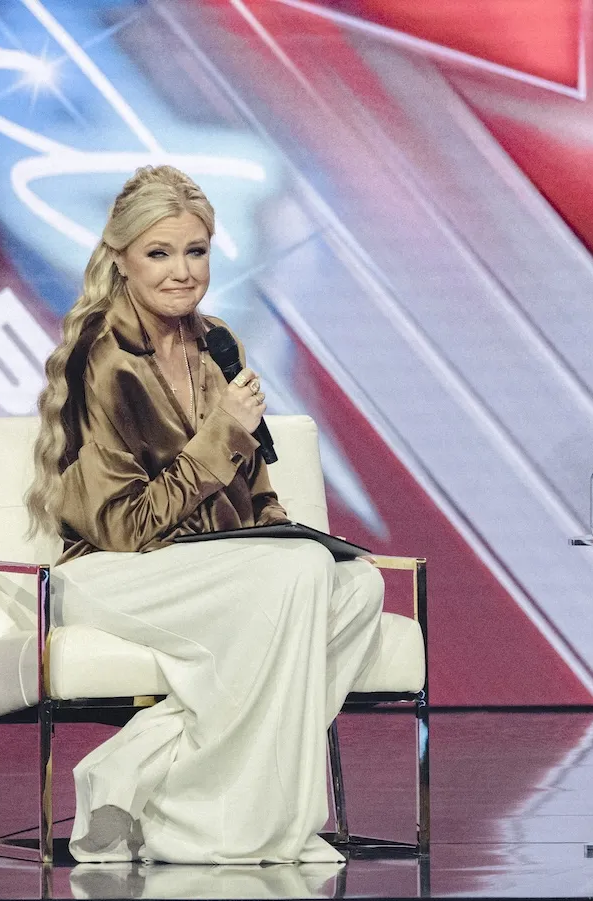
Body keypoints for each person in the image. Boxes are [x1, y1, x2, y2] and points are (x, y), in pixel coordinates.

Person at [26, 165, 385, 864]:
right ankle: (226, 829)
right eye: (159, 253)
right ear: (122, 259)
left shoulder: (218, 344)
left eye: (196, 251)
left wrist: (282, 530)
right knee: (297, 577)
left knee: (356, 586)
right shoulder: (103, 359)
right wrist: (222, 433)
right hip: (111, 573)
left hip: (212, 569)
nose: (182, 271)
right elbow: (124, 528)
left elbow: (255, 490)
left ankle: (131, 773)